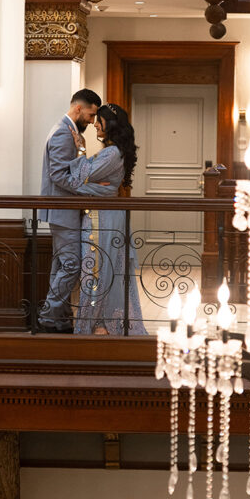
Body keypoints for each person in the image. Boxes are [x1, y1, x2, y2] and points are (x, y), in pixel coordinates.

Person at [64, 103, 147, 335]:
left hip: (104, 219)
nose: (94, 124)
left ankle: (99, 324)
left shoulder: (112, 153)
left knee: (97, 271)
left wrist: (81, 155)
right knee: (100, 270)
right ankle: (99, 322)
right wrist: (89, 181)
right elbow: (85, 178)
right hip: (103, 215)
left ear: (108, 124)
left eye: (98, 120)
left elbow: (78, 177)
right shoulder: (113, 150)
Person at [38, 88, 102, 333]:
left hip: (63, 210)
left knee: (62, 265)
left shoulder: (69, 131)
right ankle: (48, 316)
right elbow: (58, 175)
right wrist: (88, 190)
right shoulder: (63, 134)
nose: (92, 120)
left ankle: (59, 317)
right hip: (63, 210)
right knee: (72, 265)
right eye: (91, 114)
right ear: (79, 108)